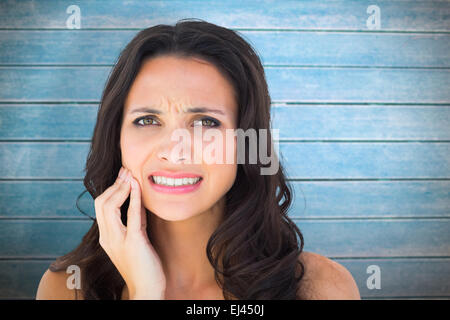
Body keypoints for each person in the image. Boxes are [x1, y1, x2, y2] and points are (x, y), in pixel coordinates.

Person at [36, 19, 360, 300]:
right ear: (116, 138)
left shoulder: (320, 287)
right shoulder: (66, 288)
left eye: (206, 122)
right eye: (148, 120)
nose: (175, 150)